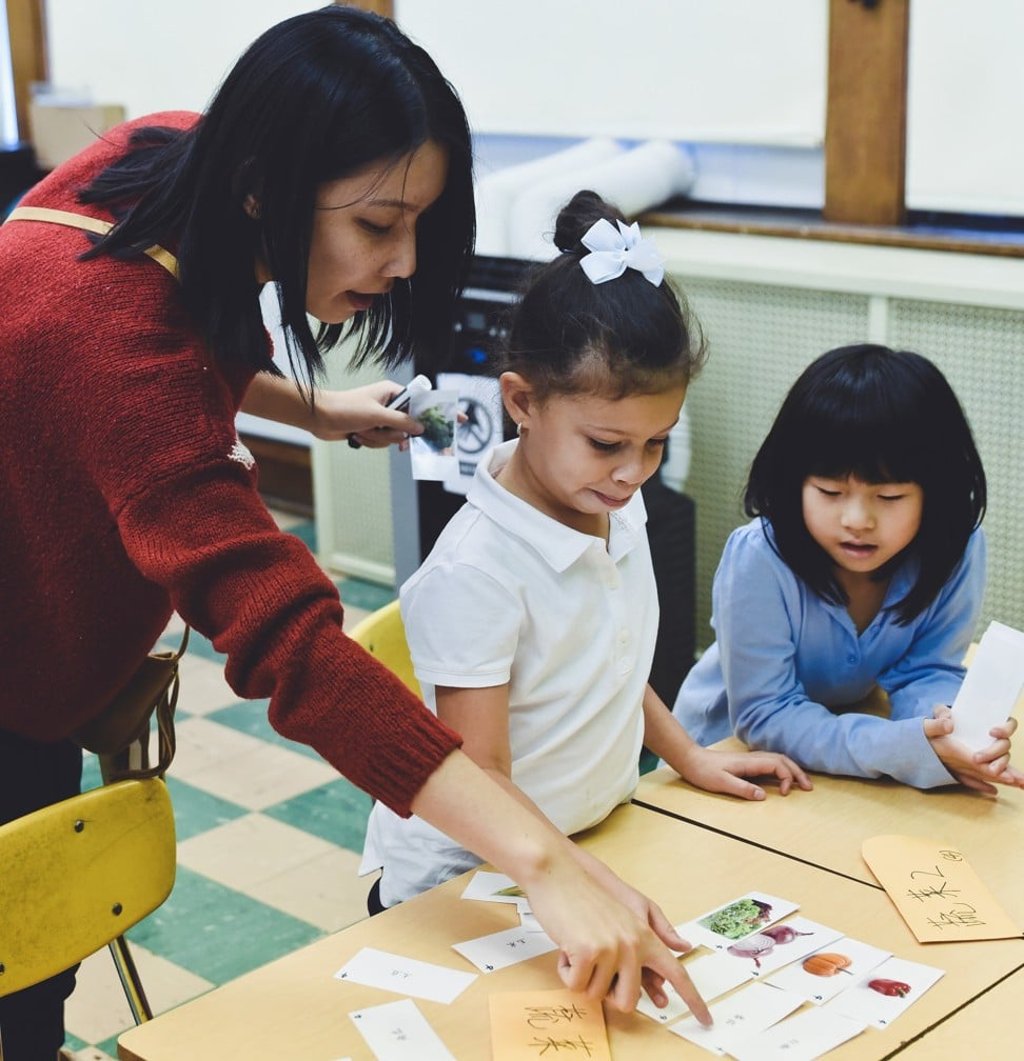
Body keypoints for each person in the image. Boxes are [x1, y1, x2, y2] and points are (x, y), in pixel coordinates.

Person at [0, 9, 711, 1057]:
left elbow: (185, 332)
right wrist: (548, 863)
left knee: (32, 971)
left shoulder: (175, 165)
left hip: (43, 635)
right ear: (266, 186)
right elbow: (292, 644)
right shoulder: (99, 324)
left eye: (417, 220)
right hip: (19, 653)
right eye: (378, 225)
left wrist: (312, 409)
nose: (404, 259)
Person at [360, 190, 811, 918]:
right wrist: (583, 884)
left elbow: (611, 659)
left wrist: (687, 756)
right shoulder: (477, 571)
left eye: (655, 441)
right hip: (469, 878)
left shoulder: (609, 502)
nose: (634, 472)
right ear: (521, 401)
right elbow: (483, 777)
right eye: (607, 443)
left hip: (578, 843)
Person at [671, 343, 1022, 793]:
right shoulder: (759, 557)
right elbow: (767, 713)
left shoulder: (956, 548)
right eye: (830, 492)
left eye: (889, 497)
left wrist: (947, 733)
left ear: (935, 492)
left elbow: (926, 669)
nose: (857, 521)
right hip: (731, 757)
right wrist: (900, 748)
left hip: (845, 748)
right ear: (793, 483)